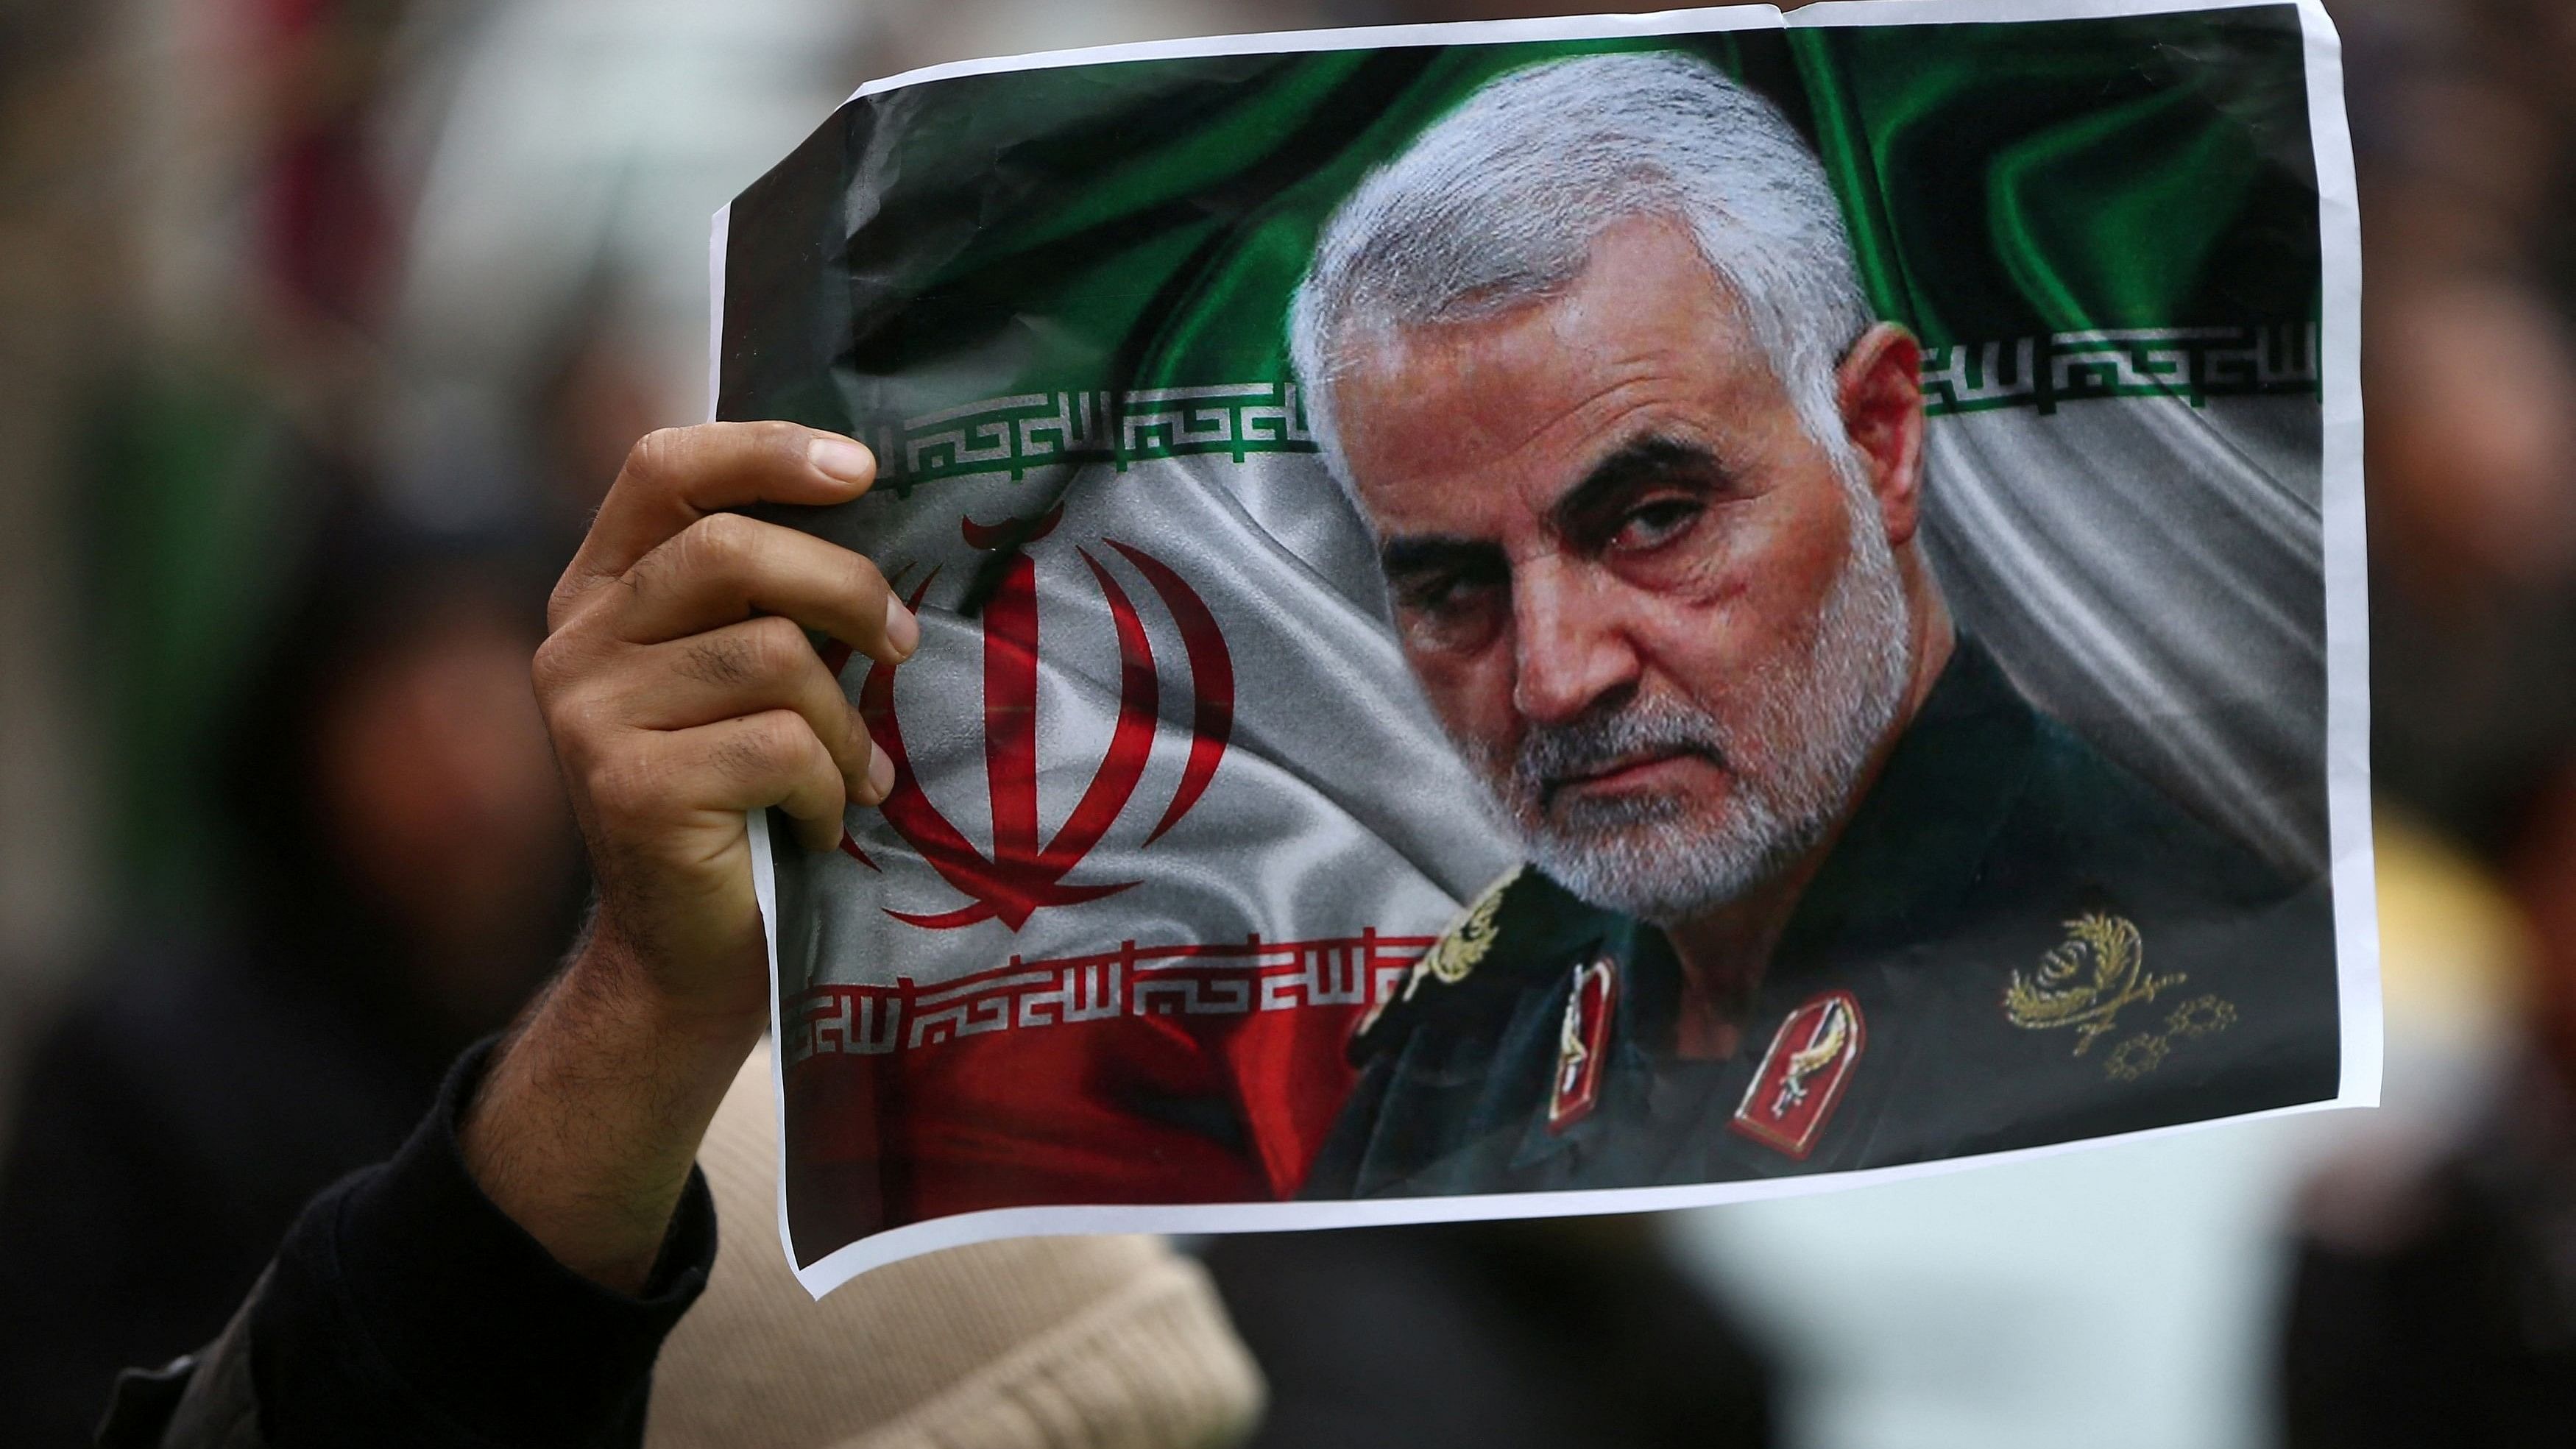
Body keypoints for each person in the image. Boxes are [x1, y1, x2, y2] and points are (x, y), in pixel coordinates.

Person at [1288, 53, 2341, 1199]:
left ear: (1880, 439)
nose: (1555, 674)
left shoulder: (2206, 1022)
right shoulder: (1458, 1050)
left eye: (1653, 519)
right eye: (1453, 589)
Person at [93, 422, 1257, 1448]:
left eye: (487, 678)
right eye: (396, 689)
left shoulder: (749, 976)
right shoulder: (145, 1070)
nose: (459, 753)